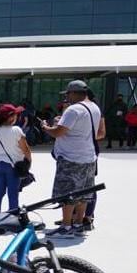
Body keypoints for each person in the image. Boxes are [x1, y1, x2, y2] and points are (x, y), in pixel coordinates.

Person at [41, 80, 103, 238]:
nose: (67, 97)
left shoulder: (74, 109)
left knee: (67, 193)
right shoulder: (94, 107)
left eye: (68, 93)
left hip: (71, 157)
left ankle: (66, 226)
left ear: (75, 93)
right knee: (83, 193)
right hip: (89, 156)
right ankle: (78, 224)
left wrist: (45, 127)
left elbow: (58, 132)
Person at [0, 104, 31, 214]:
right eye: (15, 115)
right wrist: (28, 163)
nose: (17, 117)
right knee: (12, 193)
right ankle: (12, 217)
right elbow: (26, 149)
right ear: (10, 117)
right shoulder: (16, 130)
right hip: (12, 166)